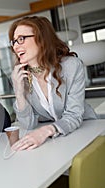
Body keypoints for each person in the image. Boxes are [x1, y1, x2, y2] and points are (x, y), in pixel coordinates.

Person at [8, 16, 97, 151]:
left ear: (42, 39)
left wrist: (46, 131)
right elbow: (28, 124)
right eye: (14, 41)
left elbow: (74, 115)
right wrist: (19, 92)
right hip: (55, 141)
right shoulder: (20, 77)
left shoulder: (71, 66)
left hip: (85, 130)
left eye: (21, 39)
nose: (15, 46)